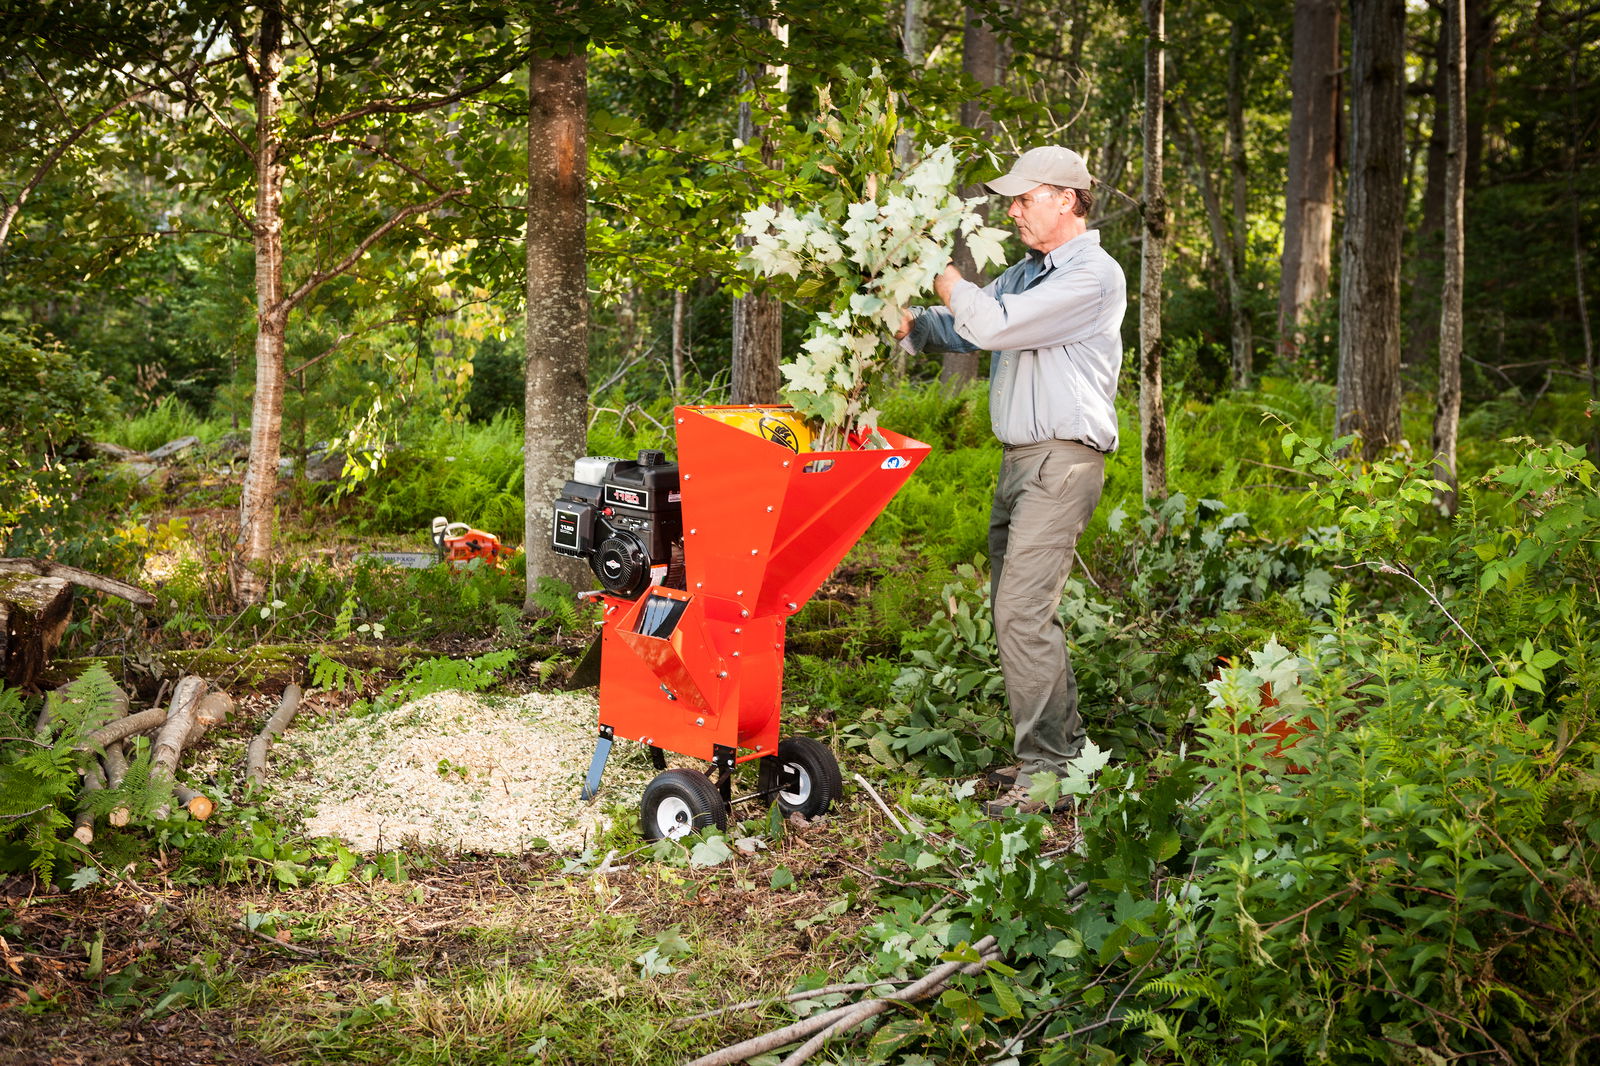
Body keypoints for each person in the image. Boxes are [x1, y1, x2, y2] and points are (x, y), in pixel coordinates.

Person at [895, 145, 1127, 817]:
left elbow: (990, 325)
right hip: (1022, 459)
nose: (1014, 210)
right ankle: (1061, 752)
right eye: (1013, 199)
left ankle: (1052, 771)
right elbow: (962, 330)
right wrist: (905, 321)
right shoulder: (1030, 272)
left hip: (1063, 459)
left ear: (1067, 199)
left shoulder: (1092, 275)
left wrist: (940, 272)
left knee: (1021, 614)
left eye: (1025, 199)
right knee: (1018, 612)